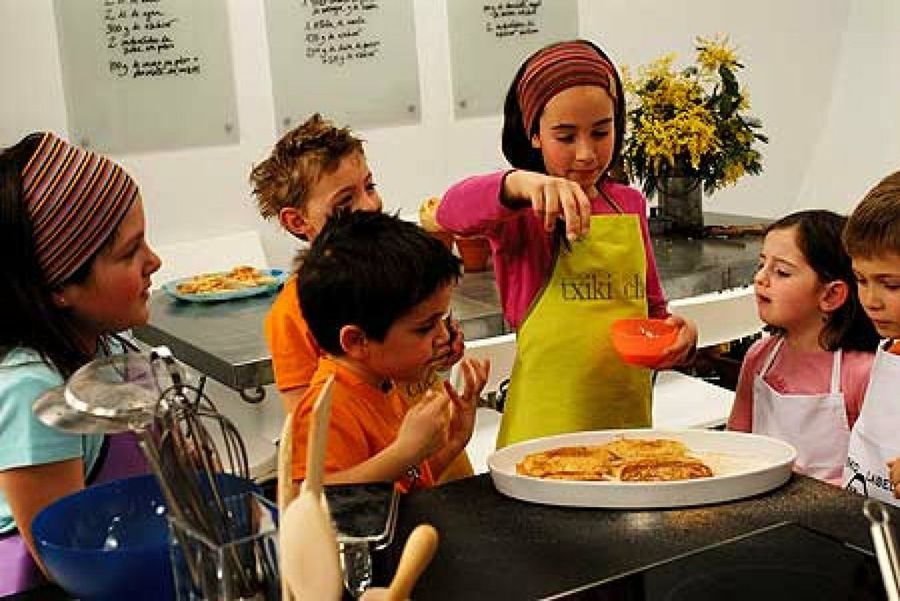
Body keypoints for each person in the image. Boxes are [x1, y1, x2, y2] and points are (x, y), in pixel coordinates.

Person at [436, 39, 698, 447]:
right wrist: (519, 183)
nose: (586, 153)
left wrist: (678, 337)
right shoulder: (521, 213)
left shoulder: (628, 203)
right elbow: (450, 211)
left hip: (625, 425)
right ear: (534, 134)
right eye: (565, 136)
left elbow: (652, 310)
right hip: (542, 434)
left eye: (601, 131)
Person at [250, 114, 472, 481]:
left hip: (431, 459)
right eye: (345, 199)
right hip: (385, 473)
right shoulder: (292, 314)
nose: (369, 205)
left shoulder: (397, 275)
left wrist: (440, 352)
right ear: (297, 221)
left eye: (369, 187)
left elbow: (403, 366)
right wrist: (405, 453)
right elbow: (313, 430)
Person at [0, 132, 161, 591]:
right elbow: (69, 567)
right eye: (131, 252)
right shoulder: (34, 393)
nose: (155, 260)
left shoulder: (109, 350)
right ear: (59, 288)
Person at [289, 211, 488, 491]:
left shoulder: (384, 383)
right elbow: (315, 497)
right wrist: (405, 452)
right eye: (425, 327)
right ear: (357, 341)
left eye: (442, 321)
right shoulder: (327, 408)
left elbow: (405, 485)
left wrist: (455, 439)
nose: (443, 336)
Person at [727, 210, 878, 483]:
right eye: (761, 264)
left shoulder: (862, 373)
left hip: (837, 519)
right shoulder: (759, 358)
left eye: (781, 272)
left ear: (831, 295)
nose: (761, 278)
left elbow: (871, 477)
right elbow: (735, 448)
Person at [840, 172, 900, 501]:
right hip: (868, 531)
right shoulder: (891, 348)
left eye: (892, 285)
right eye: (861, 280)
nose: (871, 300)